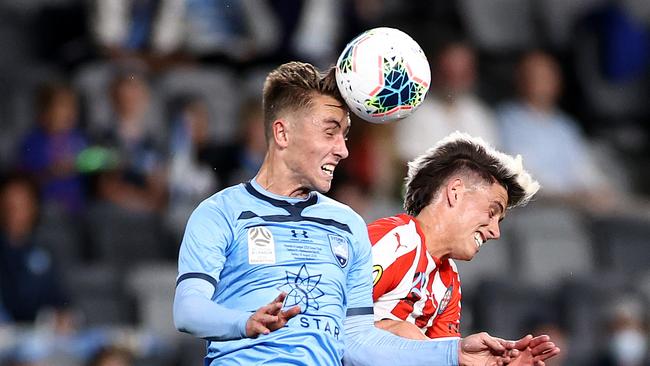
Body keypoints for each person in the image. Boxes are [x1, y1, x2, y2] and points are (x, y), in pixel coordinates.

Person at [173, 61, 559, 365]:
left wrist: (455, 356)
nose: (342, 150)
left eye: (345, 135)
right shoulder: (220, 212)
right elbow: (188, 310)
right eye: (330, 132)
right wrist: (243, 322)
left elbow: (358, 341)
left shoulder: (347, 225)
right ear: (282, 134)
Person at [369, 132, 539, 340]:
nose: (496, 232)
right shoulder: (394, 242)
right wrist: (399, 336)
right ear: (455, 192)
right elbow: (326, 320)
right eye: (492, 212)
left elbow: (441, 357)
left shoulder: (448, 281)